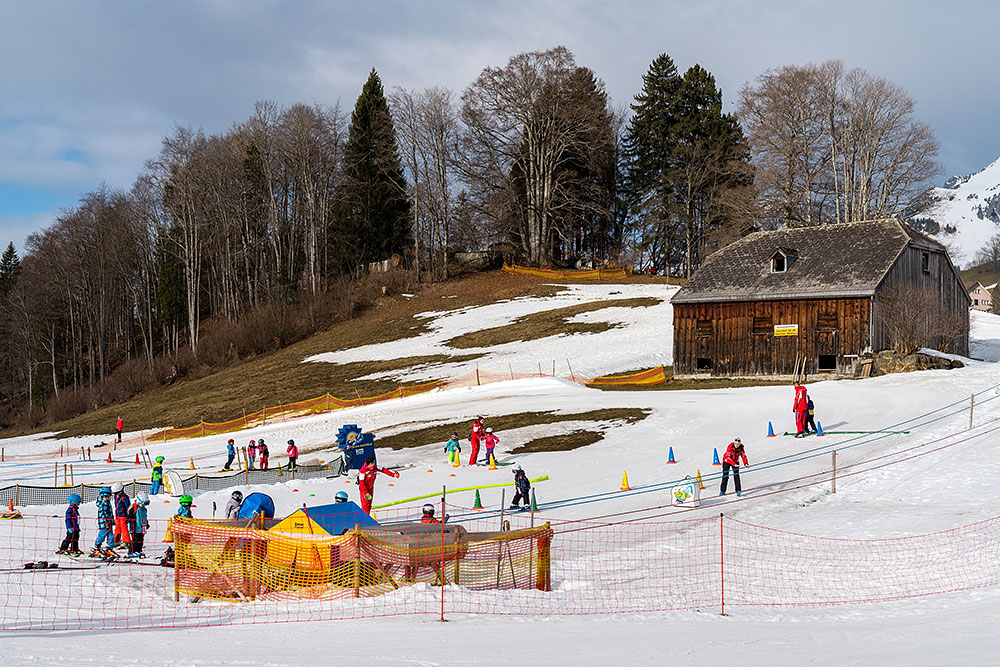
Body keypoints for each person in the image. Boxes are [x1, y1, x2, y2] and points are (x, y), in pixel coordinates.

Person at [91, 487, 115, 558]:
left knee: (111, 536)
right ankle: (97, 547)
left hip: (109, 522)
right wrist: (105, 522)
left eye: (108, 497)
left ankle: (109, 548)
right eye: (105, 497)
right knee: (102, 535)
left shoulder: (107, 502)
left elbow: (109, 513)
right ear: (102, 496)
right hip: (104, 523)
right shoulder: (104, 503)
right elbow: (104, 513)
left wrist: (111, 521)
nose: (107, 498)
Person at [127, 493, 150, 558]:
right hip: (135, 527)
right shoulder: (134, 508)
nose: (142, 505)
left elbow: (144, 517)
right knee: (135, 540)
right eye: (142, 504)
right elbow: (129, 517)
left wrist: (146, 523)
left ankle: (139, 550)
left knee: (141, 540)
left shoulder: (144, 510)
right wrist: (132, 523)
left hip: (142, 527)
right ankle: (131, 552)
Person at [111, 482, 131, 550]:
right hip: (117, 514)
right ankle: (117, 540)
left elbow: (128, 506)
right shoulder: (116, 496)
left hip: (123, 515)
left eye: (116, 493)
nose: (115, 494)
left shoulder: (124, 497)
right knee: (117, 528)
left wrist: (129, 514)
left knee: (124, 528)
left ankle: (127, 541)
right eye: (114, 493)